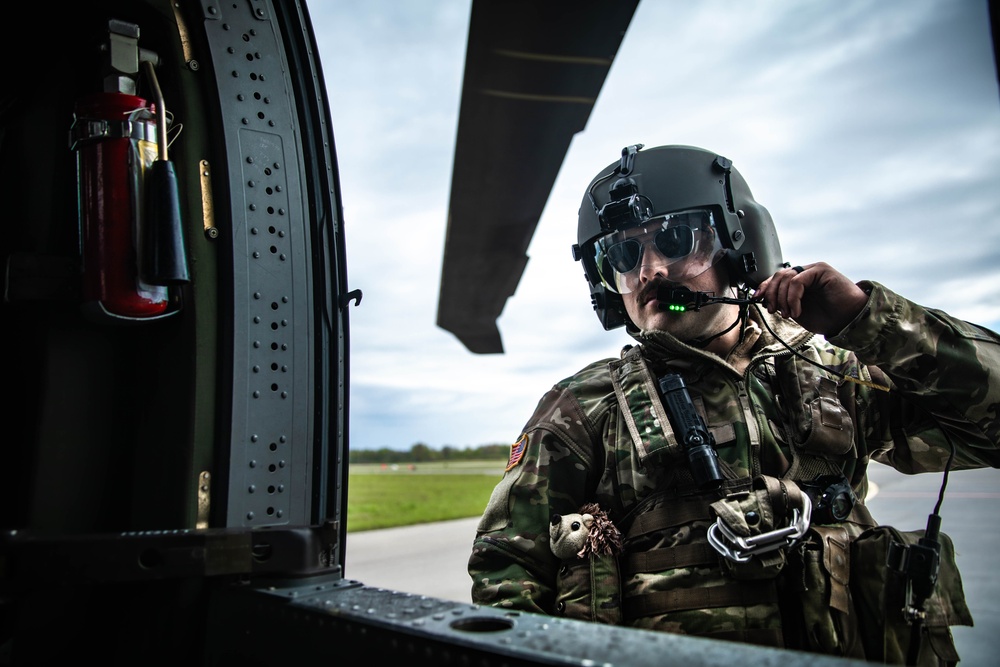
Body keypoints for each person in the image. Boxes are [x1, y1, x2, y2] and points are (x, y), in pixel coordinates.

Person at [468, 144, 1000, 664]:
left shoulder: (835, 375)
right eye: (625, 255)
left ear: (741, 246)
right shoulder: (581, 406)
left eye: (675, 239)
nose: (650, 270)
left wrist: (867, 321)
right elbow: (507, 570)